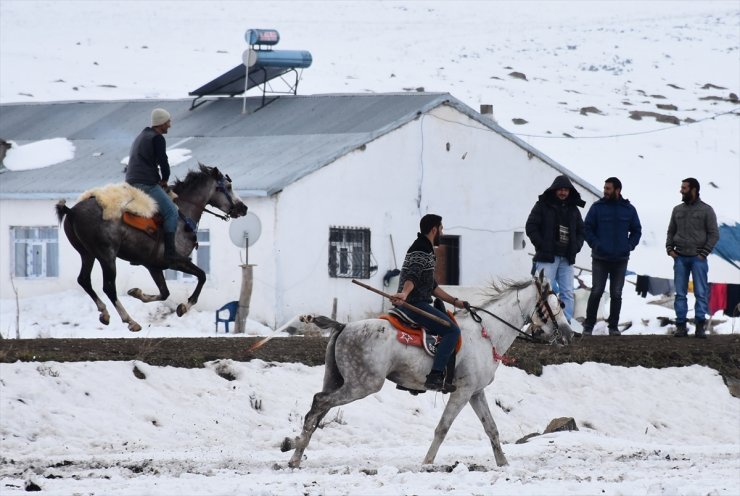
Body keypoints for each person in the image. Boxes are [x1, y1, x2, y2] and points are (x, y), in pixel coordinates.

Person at [391, 214, 467, 393]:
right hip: (415, 305)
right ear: (434, 229)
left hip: (415, 301)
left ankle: (409, 378)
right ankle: (435, 376)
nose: (442, 232)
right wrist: (404, 293)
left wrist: (456, 302)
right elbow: (413, 276)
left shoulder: (424, 248)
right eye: (441, 229)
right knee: (452, 330)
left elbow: (431, 286)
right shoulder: (422, 250)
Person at [125, 108, 188, 265]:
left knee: (150, 213)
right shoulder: (157, 138)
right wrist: (165, 179)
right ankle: (170, 253)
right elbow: (163, 161)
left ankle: (141, 249)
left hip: (131, 181)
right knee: (172, 212)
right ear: (161, 123)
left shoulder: (141, 136)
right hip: (145, 182)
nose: (170, 125)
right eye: (168, 122)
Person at [581, 177, 641, 336]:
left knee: (616, 293)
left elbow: (637, 230)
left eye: (608, 188)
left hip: (620, 259)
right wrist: (595, 244)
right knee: (596, 291)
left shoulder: (629, 210)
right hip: (600, 258)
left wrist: (629, 246)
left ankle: (613, 327)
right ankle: (588, 326)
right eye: (605, 188)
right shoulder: (597, 208)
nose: (605, 191)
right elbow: (587, 228)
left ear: (617, 190)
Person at [525, 175, 585, 322]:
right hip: (547, 257)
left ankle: (566, 324)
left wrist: (576, 247)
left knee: (567, 293)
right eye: (560, 190)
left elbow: (581, 231)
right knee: (542, 292)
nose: (563, 193)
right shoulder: (542, 205)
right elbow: (531, 226)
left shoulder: (574, 210)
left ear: (570, 191)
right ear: (554, 190)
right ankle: (540, 324)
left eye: (566, 190)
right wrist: (542, 245)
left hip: (567, 258)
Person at [666, 178, 719, 338]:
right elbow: (670, 231)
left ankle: (699, 326)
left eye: (684, 188)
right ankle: (681, 326)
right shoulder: (677, 210)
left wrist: (704, 253)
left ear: (694, 190)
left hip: (698, 258)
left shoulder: (707, 210)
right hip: (680, 257)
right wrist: (669, 249)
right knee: (680, 293)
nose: (681, 190)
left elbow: (714, 234)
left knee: (701, 292)